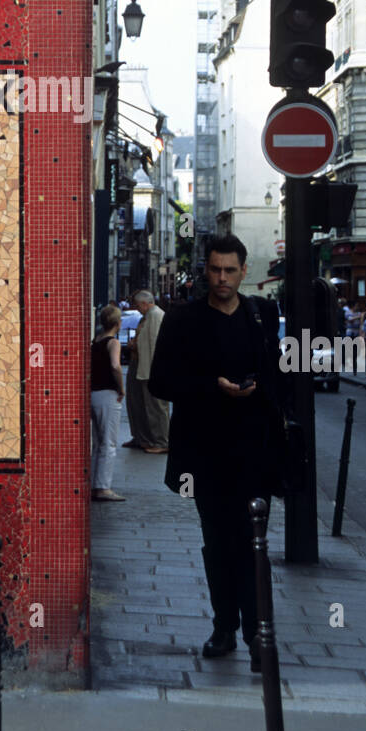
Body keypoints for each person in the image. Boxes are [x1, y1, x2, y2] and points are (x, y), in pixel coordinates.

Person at [148, 233, 287, 673]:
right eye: (214, 269)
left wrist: (258, 388)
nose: (222, 278)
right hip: (204, 455)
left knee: (253, 543)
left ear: (244, 272)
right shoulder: (184, 319)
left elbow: (278, 378)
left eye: (230, 270)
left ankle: (256, 636)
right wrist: (214, 387)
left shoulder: (262, 314)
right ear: (205, 270)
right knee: (219, 542)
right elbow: (161, 383)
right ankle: (225, 626)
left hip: (254, 451)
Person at [123, 290, 168, 453]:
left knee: (154, 406)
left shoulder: (156, 316)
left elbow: (155, 344)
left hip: (149, 367)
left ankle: (160, 441)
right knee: (137, 403)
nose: (136, 308)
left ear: (144, 303)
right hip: (139, 364)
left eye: (136, 305)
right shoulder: (146, 316)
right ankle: (141, 437)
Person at [90, 304, 126, 502]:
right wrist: (121, 388)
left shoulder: (95, 341)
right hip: (108, 394)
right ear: (118, 324)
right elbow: (115, 366)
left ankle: (95, 484)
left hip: (93, 393)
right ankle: (103, 487)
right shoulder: (113, 343)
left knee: (97, 443)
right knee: (109, 442)